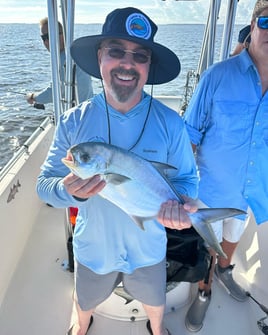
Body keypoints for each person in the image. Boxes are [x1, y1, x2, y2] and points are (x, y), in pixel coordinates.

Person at [36, 7, 198, 335]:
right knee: (85, 299)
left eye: (139, 55)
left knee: (155, 300)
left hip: (149, 246)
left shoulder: (171, 124)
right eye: (115, 51)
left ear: (149, 65)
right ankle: (81, 326)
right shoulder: (73, 122)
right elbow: (43, 186)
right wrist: (66, 190)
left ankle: (156, 328)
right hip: (94, 248)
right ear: (99, 57)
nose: (127, 63)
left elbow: (187, 180)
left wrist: (185, 206)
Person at [183, 0, 268, 332]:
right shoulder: (217, 76)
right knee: (209, 243)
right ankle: (204, 291)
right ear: (252, 26)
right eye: (267, 22)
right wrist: (182, 187)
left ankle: (224, 271)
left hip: (253, 191)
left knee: (234, 236)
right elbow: (189, 134)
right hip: (212, 189)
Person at [26, 18, 93, 107]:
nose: (46, 41)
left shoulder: (64, 60)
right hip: (87, 108)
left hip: (77, 115)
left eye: (49, 36)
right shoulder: (75, 53)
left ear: (62, 35)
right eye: (43, 38)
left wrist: (33, 97)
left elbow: (54, 93)